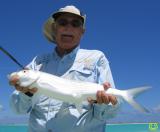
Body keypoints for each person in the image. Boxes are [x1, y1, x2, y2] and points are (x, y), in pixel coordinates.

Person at [10, 5, 120, 132]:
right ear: (55, 28)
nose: (68, 27)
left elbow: (111, 113)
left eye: (75, 23)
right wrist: (27, 93)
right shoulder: (38, 62)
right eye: (62, 22)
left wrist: (103, 104)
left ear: (82, 31)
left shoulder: (97, 58)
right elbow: (17, 109)